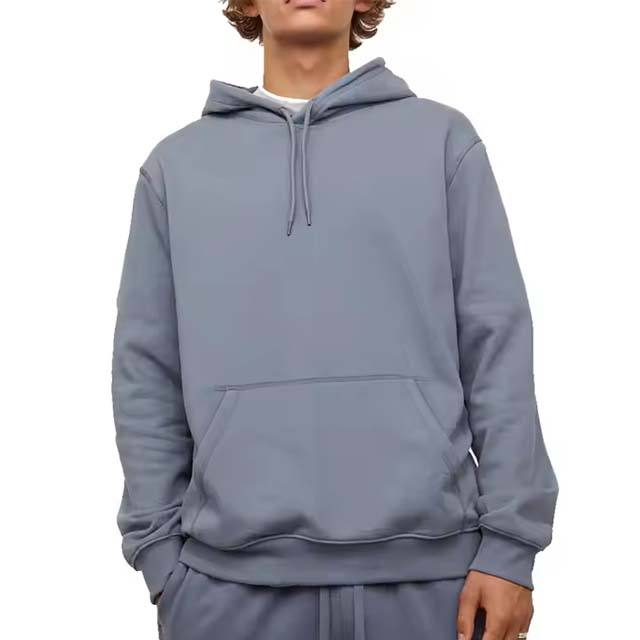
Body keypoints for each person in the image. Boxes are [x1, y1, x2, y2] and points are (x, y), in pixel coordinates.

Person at [110, 1, 559, 639]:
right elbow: (145, 370)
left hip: (438, 581)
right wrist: (161, 559)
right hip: (226, 589)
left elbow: (498, 346)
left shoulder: (443, 143)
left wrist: (511, 547)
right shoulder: (175, 168)